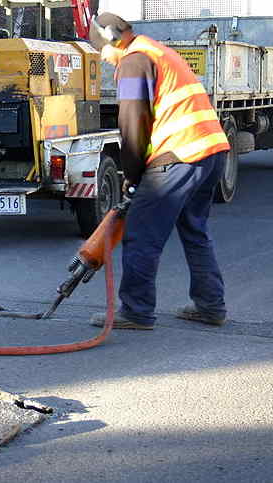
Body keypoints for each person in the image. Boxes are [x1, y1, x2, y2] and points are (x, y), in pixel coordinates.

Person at [89, 13, 230, 330]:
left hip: (178, 155)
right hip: (210, 151)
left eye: (103, 52)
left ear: (112, 40)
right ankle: (211, 306)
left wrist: (132, 175)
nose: (106, 59)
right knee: (195, 231)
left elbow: (132, 124)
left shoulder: (134, 60)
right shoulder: (156, 50)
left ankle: (136, 311)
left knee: (141, 234)